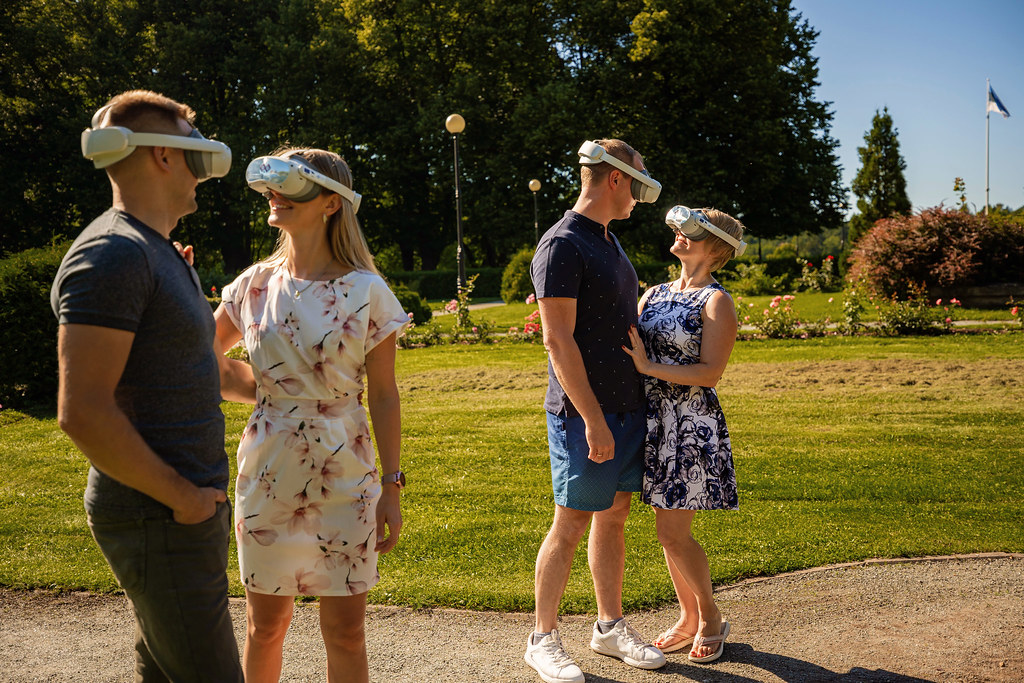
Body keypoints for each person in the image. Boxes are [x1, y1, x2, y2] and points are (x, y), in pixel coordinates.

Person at [51, 90, 247, 682]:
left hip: (177, 512)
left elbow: (196, 366)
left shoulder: (156, 252)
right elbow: (82, 410)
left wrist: (284, 390)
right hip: (159, 514)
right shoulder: (114, 254)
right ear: (163, 156)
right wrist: (181, 498)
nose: (200, 173)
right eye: (194, 151)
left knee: (164, 672)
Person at [215, 147, 410, 683]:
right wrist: (273, 393)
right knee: (264, 626)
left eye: (291, 186)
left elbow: (385, 394)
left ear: (330, 203)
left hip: (346, 474)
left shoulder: (367, 290)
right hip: (267, 471)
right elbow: (201, 361)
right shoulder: (252, 285)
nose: (274, 196)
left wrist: (391, 487)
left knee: (346, 633)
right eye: (272, 186)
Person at [525, 139, 667, 683]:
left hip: (628, 407)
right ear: (615, 179)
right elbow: (557, 341)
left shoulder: (608, 239)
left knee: (615, 516)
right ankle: (542, 639)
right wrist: (591, 419)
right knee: (571, 522)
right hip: (585, 414)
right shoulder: (563, 243)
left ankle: (608, 627)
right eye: (638, 184)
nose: (639, 197)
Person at [621, 205, 747, 664]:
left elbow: (710, 372)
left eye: (692, 231)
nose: (679, 234)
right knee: (665, 532)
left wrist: (647, 367)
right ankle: (688, 617)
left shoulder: (717, 301)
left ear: (716, 250)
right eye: (679, 227)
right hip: (652, 422)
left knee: (673, 534)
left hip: (690, 426)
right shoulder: (653, 293)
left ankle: (711, 618)